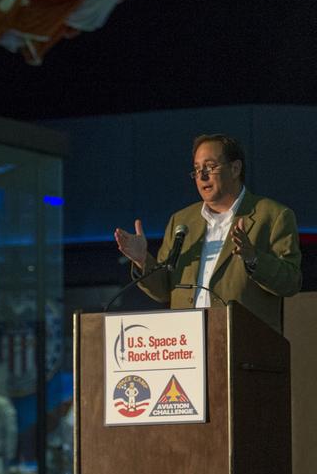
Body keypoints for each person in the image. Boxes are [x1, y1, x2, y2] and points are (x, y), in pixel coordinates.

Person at [114, 133, 301, 331]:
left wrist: (253, 259)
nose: (202, 176)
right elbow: (163, 291)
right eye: (196, 169)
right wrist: (143, 260)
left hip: (244, 345)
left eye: (210, 167)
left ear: (235, 168)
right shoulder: (182, 221)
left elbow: (291, 282)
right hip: (186, 345)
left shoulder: (273, 216)